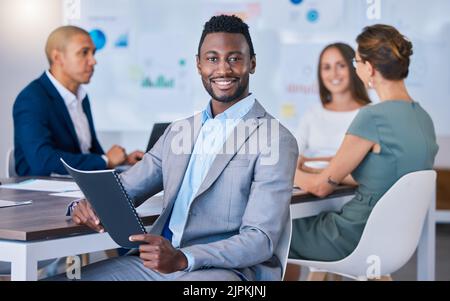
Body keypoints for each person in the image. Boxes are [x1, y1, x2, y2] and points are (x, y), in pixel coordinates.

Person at [51, 15, 298, 281]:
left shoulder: (276, 139)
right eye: (212, 59)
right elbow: (124, 190)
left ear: (252, 63)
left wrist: (184, 258)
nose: (223, 69)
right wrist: (86, 204)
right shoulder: (179, 131)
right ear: (199, 64)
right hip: (154, 266)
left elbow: (259, 240)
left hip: (226, 272)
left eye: (234, 58)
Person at [289, 24, 439, 263]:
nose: (355, 68)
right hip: (393, 241)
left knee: (264, 233)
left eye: (355, 62)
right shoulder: (423, 118)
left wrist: (288, 169)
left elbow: (320, 187)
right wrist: (311, 170)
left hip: (351, 237)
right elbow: (385, 174)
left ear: (369, 68)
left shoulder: (373, 118)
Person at [13, 26, 144, 177]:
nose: (93, 61)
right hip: (43, 194)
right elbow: (42, 161)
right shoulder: (31, 98)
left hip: (79, 187)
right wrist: (105, 160)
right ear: (57, 58)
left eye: (93, 53)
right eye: (84, 53)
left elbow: (88, 153)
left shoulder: (82, 96)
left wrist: (122, 161)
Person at [296, 43, 371, 169]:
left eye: (341, 66)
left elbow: (365, 163)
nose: (334, 74)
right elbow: (294, 153)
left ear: (354, 68)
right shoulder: (313, 113)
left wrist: (307, 161)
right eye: (326, 67)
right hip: (308, 183)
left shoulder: (370, 113)